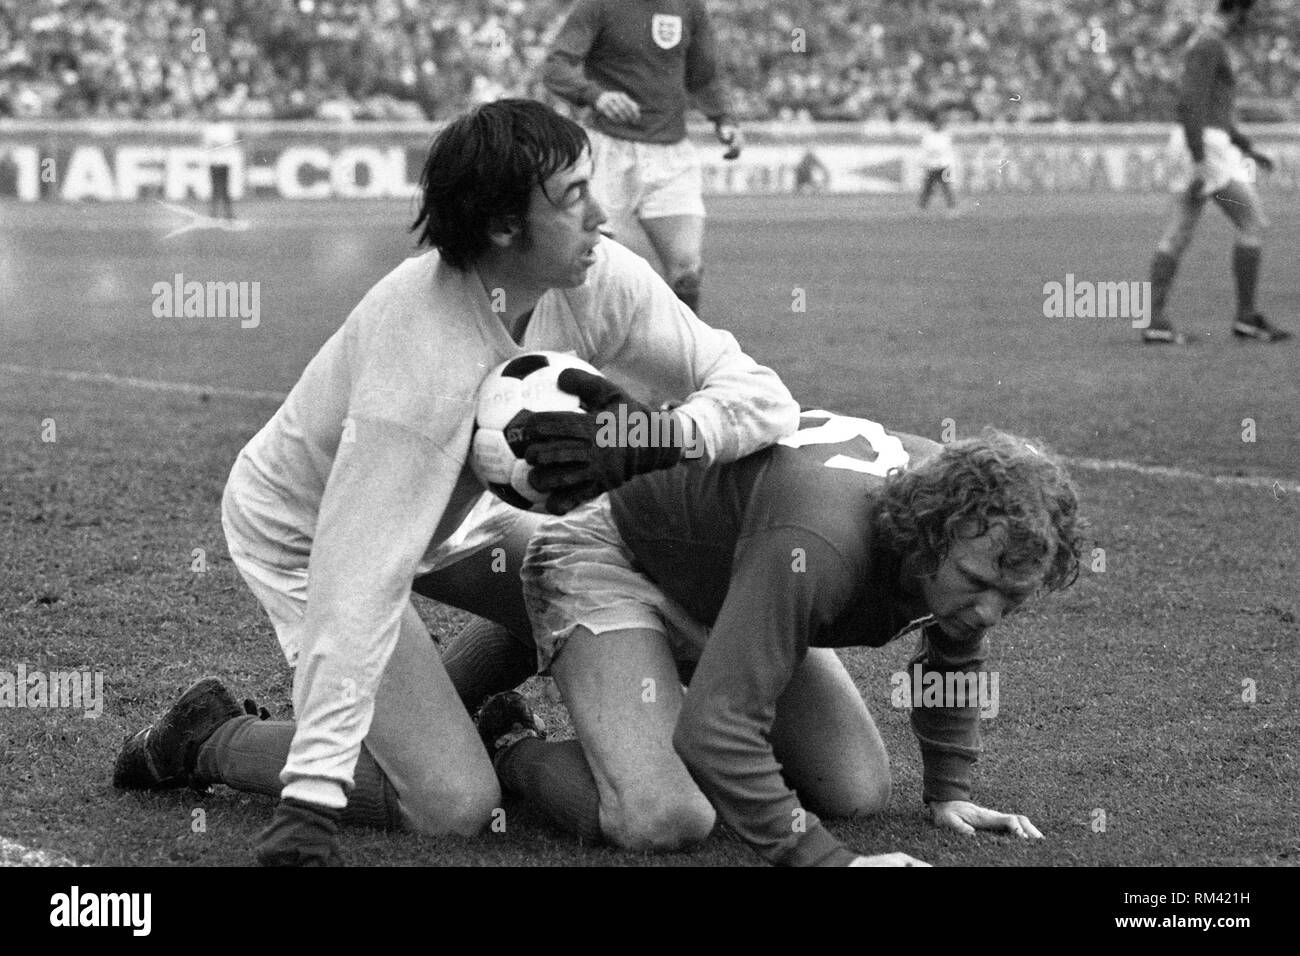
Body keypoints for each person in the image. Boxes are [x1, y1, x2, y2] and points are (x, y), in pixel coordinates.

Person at [111, 98, 800, 866]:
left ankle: (471, 708)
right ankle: (208, 737)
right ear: (504, 227)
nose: (603, 215)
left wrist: (655, 434)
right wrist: (313, 796)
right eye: (574, 197)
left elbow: (761, 393)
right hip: (312, 535)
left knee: (563, 558)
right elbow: (358, 579)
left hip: (466, 511)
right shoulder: (419, 372)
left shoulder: (596, 276)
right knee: (453, 805)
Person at [477, 412, 1083, 866]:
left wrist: (948, 792)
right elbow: (716, 727)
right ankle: (507, 739)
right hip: (616, 548)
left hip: (734, 576)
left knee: (851, 792)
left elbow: (955, 645)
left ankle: (611, 665)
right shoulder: (824, 545)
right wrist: (830, 863)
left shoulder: (966, 525)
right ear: (924, 537)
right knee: (667, 817)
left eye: (1013, 597)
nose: (990, 614)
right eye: (978, 585)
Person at [542, 0, 742, 314]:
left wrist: (724, 119)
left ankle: (682, 356)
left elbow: (703, 76)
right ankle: (592, 353)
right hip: (608, 153)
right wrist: (597, 96)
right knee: (596, 270)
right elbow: (556, 67)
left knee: (687, 270)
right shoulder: (598, 6)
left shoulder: (689, 7)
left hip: (671, 153)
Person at [1142, 0, 1290, 345]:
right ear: (1237, 12)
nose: (1248, 23)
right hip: (1205, 146)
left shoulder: (1204, 41)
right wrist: (1199, 157)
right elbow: (1191, 100)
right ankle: (1246, 318)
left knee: (1178, 232)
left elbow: (1207, 103)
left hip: (1199, 142)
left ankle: (1156, 322)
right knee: (1251, 222)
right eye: (1247, 15)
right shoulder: (1210, 43)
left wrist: (1245, 146)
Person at [917, 109, 958, 216]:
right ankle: (922, 209)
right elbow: (925, 150)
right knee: (927, 188)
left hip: (944, 165)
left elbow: (947, 150)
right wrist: (924, 163)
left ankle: (952, 209)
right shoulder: (927, 135)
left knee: (946, 187)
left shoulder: (946, 134)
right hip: (931, 165)